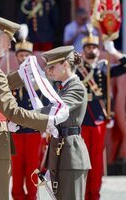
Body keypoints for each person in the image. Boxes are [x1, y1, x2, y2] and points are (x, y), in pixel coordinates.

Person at [0, 14, 69, 200]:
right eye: (8, 40)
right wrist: (49, 120)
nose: (10, 45)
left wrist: (20, 74)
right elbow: (12, 110)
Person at [76, 34, 126, 200]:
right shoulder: (77, 69)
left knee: (96, 159)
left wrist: (114, 52)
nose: (91, 50)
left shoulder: (105, 68)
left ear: (99, 50)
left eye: (94, 47)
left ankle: (94, 194)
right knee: (81, 159)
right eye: (88, 47)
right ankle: (82, 193)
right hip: (81, 118)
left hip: (98, 117)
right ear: (83, 51)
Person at [41, 46, 91, 200]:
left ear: (65, 65)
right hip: (62, 152)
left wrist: (20, 117)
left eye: (52, 67)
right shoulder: (64, 88)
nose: (49, 71)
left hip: (71, 154)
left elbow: (54, 110)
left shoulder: (76, 87)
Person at [11, 24, 48, 200]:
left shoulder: (39, 79)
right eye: (21, 55)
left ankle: (33, 197)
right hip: (16, 131)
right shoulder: (11, 78)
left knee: (33, 169)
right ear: (17, 57)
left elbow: (46, 104)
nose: (24, 58)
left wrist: (45, 126)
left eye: (27, 55)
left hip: (33, 131)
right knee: (17, 171)